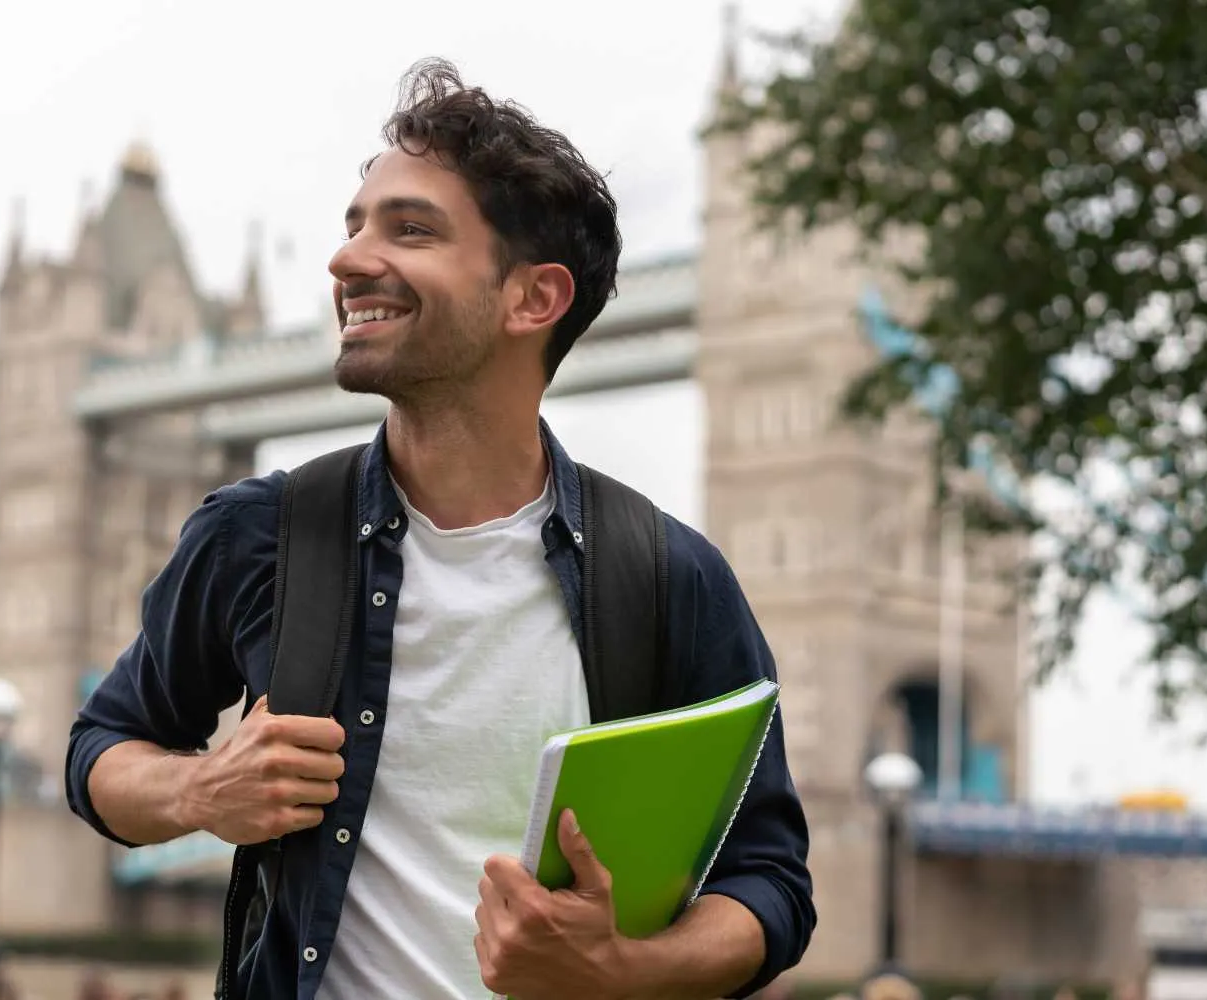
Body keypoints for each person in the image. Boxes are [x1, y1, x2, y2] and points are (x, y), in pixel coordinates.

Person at [67, 56, 815, 999]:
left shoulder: (671, 575)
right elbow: (100, 750)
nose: (346, 259)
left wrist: (625, 967)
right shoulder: (258, 536)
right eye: (353, 227)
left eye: (409, 229)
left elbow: (771, 883)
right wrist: (198, 792)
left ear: (533, 299)